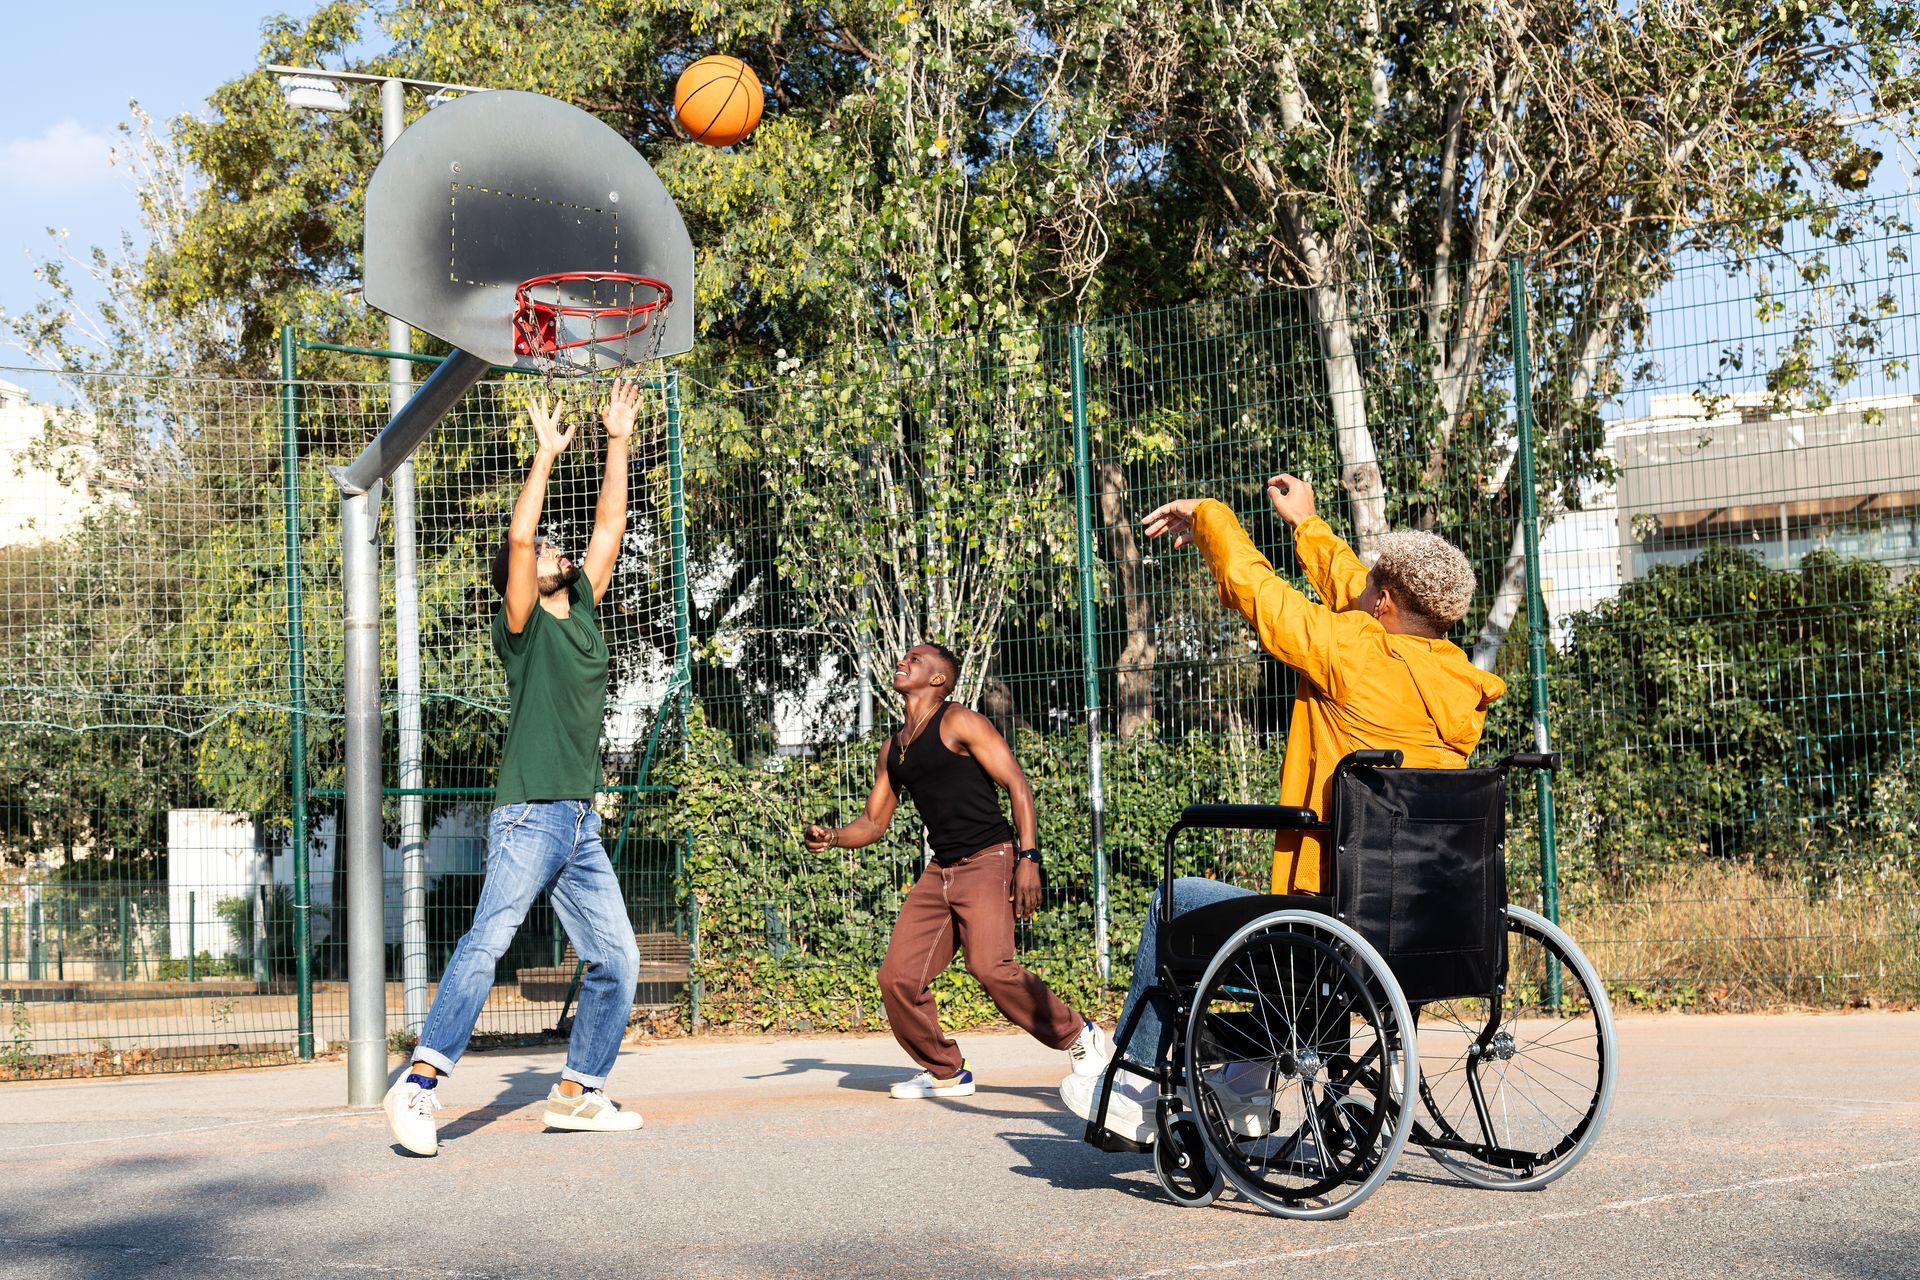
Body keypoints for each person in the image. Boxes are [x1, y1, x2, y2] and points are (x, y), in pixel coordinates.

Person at [1060, 473, 1508, 1142]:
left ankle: (1135, 1086)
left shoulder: (1350, 654)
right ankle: (1242, 1083)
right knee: (1277, 926)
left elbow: (1258, 591)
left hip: (1329, 914)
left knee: (1173, 900)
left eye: (1371, 587)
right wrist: (1307, 526)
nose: (1359, 590)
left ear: (1384, 602)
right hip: (1421, 921)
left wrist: (1209, 515)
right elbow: (1364, 598)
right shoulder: (1455, 678)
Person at [385, 381, 647, 1157]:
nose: (559, 554)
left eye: (562, 554)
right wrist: (544, 456)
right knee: (490, 938)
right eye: (544, 556)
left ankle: (576, 1090)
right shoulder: (523, 626)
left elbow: (611, 524)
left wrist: (618, 439)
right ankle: (420, 1084)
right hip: (530, 811)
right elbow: (522, 538)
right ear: (524, 578)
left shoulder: (587, 612)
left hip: (578, 820)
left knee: (617, 958)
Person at [805, 642, 1112, 1098]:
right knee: (897, 978)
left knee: (990, 966)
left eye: (916, 658)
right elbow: (872, 823)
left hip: (990, 857)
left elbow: (1017, 786)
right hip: (941, 869)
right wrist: (833, 836)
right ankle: (946, 1072)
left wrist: (1029, 859)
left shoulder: (959, 721)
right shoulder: (894, 747)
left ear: (938, 680)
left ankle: (1078, 1035)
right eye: (903, 655)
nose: (903, 660)